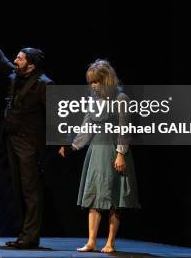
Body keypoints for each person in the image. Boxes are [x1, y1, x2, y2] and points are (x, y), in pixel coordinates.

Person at [0, 16, 53, 250]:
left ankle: (30, 238)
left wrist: (63, 142)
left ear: (31, 65)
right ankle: (24, 235)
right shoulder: (15, 77)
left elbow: (58, 116)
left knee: (31, 191)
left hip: (29, 144)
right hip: (11, 141)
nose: (15, 60)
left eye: (20, 58)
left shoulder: (44, 84)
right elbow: (0, 60)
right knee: (18, 190)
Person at [59, 59, 140, 253]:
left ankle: (110, 243)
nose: (93, 86)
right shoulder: (93, 101)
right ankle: (91, 241)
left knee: (114, 197)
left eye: (97, 81)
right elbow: (87, 127)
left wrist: (121, 154)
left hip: (114, 150)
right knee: (94, 196)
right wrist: (73, 147)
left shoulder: (121, 99)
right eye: (91, 82)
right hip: (96, 151)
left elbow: (125, 130)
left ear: (107, 80)